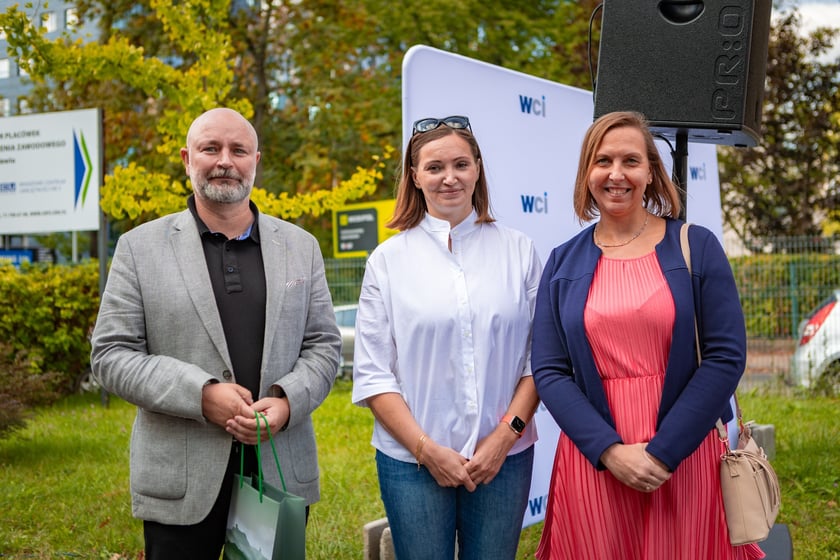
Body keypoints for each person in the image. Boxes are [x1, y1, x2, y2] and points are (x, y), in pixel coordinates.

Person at [90, 107, 341, 559]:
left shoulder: (301, 247)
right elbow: (111, 354)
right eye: (211, 148)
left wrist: (286, 402)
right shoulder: (138, 249)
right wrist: (201, 394)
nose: (225, 160)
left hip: (277, 467)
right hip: (181, 478)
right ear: (188, 159)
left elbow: (323, 345)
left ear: (255, 161)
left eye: (238, 150)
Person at [531, 111, 764, 559]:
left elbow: (725, 358)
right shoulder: (562, 262)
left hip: (685, 454)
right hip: (594, 461)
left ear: (652, 172)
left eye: (631, 161)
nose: (616, 174)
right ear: (587, 173)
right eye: (603, 161)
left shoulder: (695, 245)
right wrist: (610, 452)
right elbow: (551, 370)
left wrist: (662, 453)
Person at [351, 115, 542, 560]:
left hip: (504, 459)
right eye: (435, 167)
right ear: (415, 176)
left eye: (460, 164)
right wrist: (426, 449)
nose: (449, 178)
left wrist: (503, 438)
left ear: (477, 168)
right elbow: (374, 375)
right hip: (411, 463)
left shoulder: (519, 251)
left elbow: (540, 359)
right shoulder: (387, 261)